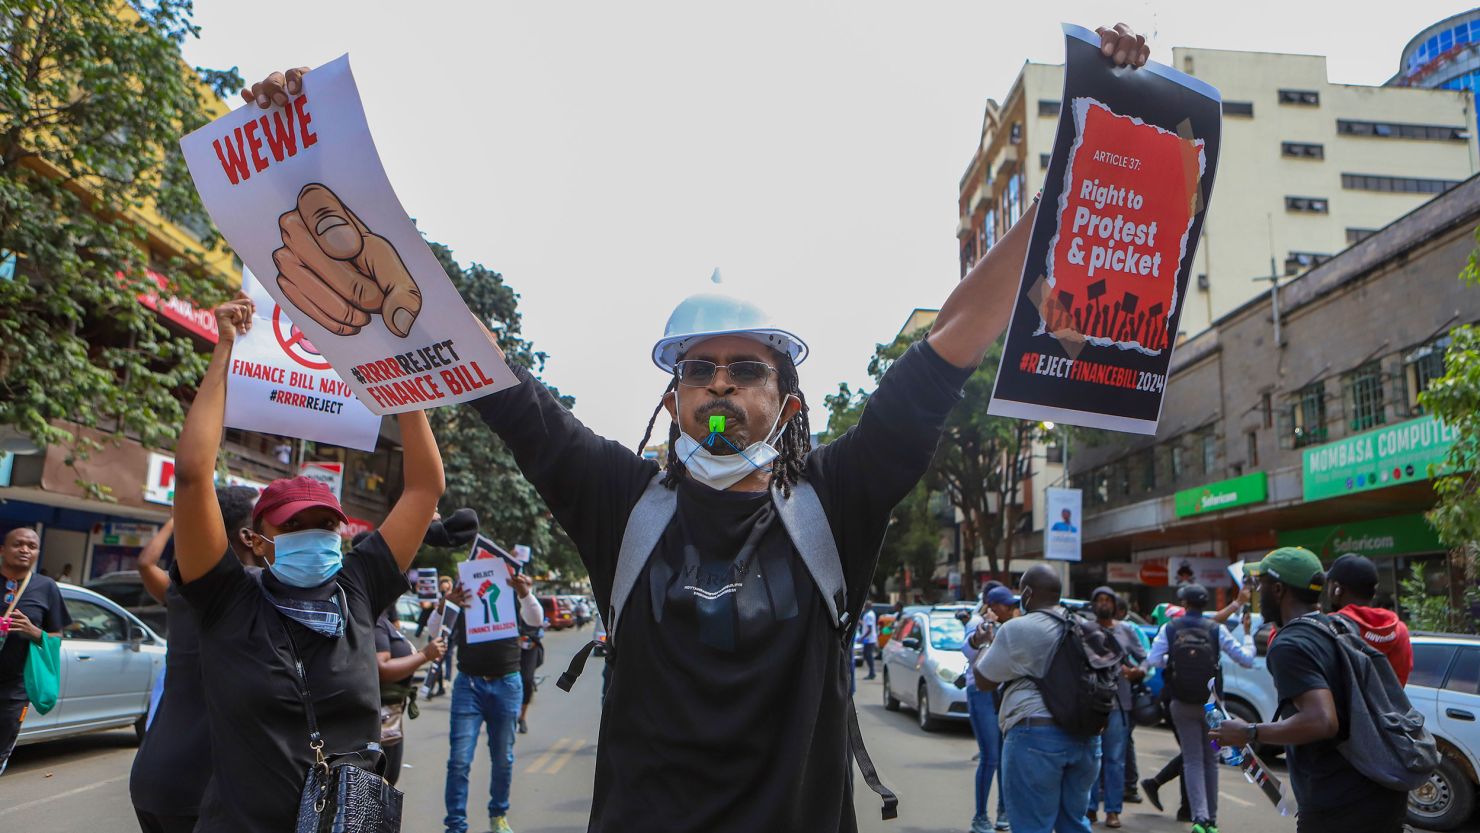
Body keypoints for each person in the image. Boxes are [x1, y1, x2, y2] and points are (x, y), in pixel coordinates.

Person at [241, 25, 1148, 832]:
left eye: (745, 368)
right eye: (698, 370)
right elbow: (477, 356)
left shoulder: (837, 499)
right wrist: (313, 168)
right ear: (671, 399)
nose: (720, 385)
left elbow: (952, 340)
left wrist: (1077, 157)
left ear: (786, 401)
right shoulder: (618, 500)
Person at [168, 295, 445, 832]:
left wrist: (400, 375)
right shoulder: (226, 598)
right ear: (256, 540)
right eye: (292, 526)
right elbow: (192, 475)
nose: (312, 535)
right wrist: (224, 348)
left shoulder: (358, 586)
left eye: (324, 525)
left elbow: (424, 487)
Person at [1214, 547, 1409, 833]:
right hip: (1379, 789)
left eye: (1261, 584)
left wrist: (1249, 732)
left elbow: (1322, 721)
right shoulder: (1336, 626)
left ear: (1278, 589)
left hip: (1340, 800)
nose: (1257, 591)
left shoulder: (1290, 643)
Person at [129, 489, 260, 833]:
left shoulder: (180, 590)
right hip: (200, 787)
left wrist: (184, 517)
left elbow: (146, 564)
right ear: (249, 536)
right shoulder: (257, 592)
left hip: (153, 775)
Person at [977, 565, 1101, 833]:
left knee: (1031, 826)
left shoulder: (1018, 628)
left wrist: (986, 643)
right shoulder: (1085, 626)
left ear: (1027, 593)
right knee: (1074, 824)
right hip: (1087, 739)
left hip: (1035, 736)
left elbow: (984, 681)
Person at [441, 566, 545, 833]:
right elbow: (436, 631)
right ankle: (455, 826)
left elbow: (535, 620)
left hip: (507, 684)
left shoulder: (511, 593)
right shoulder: (462, 594)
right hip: (469, 686)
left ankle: (498, 815)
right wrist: (447, 604)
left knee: (503, 758)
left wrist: (524, 593)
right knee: (459, 760)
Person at [1144, 583, 1254, 833]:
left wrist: (1172, 661)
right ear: (1205, 605)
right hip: (1212, 707)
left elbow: (1153, 661)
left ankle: (1200, 819)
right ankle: (1212, 821)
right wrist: (1247, 635)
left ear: (1184, 604)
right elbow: (1246, 659)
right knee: (1211, 761)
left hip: (1181, 704)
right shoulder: (1217, 630)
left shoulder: (1169, 629)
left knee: (1192, 761)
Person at [0, 527, 70, 776]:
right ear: (3, 550)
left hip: (15, 689)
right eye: (18, 544)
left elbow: (57, 636)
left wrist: (34, 631)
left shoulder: (46, 587)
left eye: (31, 546)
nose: (25, 549)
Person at [1086, 587, 1146, 829]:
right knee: (1090, 758)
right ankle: (1089, 809)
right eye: (1098, 600)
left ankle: (1112, 810)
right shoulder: (1085, 630)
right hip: (1090, 704)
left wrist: (1137, 672)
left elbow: (1144, 658)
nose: (1103, 604)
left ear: (1114, 604)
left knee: (1115, 760)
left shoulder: (1126, 631)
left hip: (1119, 704)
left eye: (1107, 600)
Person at [962, 584, 1017, 833]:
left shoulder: (1011, 625)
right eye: (1007, 604)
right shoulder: (977, 622)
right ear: (992, 606)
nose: (1011, 608)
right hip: (981, 693)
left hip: (1003, 693)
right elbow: (968, 649)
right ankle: (980, 817)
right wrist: (982, 635)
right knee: (990, 757)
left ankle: (1003, 811)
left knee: (1005, 757)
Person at [375, 603, 445, 786]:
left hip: (389, 717)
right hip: (379, 719)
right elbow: (381, 668)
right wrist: (424, 655)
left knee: (386, 786)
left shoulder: (381, 618)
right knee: (379, 789)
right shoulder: (375, 621)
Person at [1325, 553, 1412, 685]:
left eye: (1329, 584)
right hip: (1389, 706)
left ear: (1338, 589)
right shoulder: (1400, 631)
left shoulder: (1329, 627)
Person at [517, 584, 544, 734]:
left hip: (530, 649)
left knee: (526, 680)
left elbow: (538, 624)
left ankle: (522, 717)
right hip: (510, 649)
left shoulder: (533, 604)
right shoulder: (509, 603)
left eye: (527, 584)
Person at [859, 600, 879, 680]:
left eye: (865, 605)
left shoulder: (869, 615)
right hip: (869, 639)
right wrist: (860, 622)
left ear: (868, 606)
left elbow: (869, 629)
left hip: (869, 639)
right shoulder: (870, 614)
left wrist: (862, 637)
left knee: (868, 655)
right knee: (867, 655)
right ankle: (871, 672)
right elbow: (866, 625)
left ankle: (872, 672)